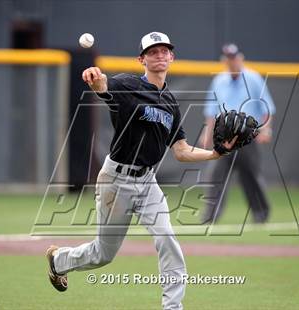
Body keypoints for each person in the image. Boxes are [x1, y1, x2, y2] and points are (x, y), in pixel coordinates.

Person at [45, 32, 239, 310]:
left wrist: (216, 153)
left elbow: (181, 151)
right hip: (115, 180)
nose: (159, 55)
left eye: (164, 51)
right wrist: (94, 77)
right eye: (153, 52)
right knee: (103, 254)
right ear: (142, 59)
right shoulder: (127, 85)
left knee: (167, 239)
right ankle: (59, 261)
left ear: (172, 57)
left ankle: (173, 307)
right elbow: (103, 87)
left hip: (147, 182)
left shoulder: (171, 103)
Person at [199, 43, 276, 224]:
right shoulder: (219, 81)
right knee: (215, 175)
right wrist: (207, 134)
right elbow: (211, 111)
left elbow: (267, 107)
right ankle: (210, 216)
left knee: (250, 176)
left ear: (240, 58)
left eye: (234, 57)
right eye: (228, 58)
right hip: (224, 137)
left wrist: (266, 128)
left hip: (247, 137)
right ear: (224, 61)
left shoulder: (253, 78)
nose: (232, 61)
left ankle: (261, 214)